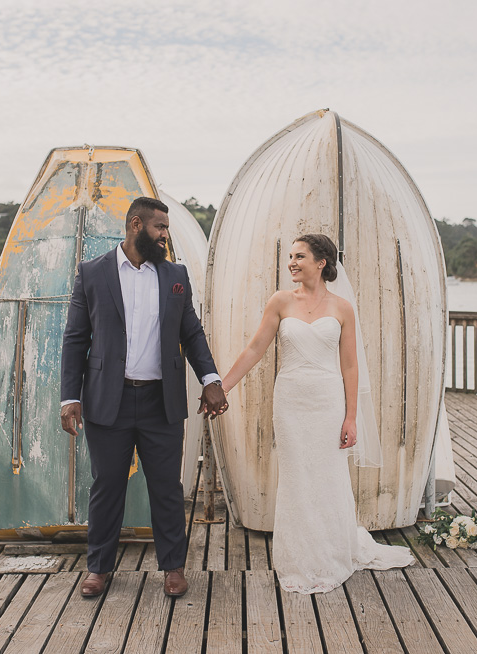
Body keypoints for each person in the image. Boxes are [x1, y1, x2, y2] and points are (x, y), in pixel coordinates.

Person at [220, 234, 415, 593]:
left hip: (328, 403)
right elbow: (254, 349)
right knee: (296, 478)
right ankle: (299, 558)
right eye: (291, 256)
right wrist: (224, 385)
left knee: (327, 477)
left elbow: (351, 367)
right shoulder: (280, 302)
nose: (292, 262)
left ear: (321, 262)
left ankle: (331, 554)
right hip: (291, 402)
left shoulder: (342, 308)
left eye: (299, 256)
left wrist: (351, 417)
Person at [60, 196, 227, 599]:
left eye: (166, 228)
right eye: (160, 228)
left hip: (160, 402)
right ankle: (98, 569)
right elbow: (76, 337)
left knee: (167, 488)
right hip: (107, 402)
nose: (165, 235)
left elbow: (192, 332)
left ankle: (173, 568)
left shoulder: (175, 275)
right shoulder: (93, 273)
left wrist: (210, 377)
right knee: (107, 487)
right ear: (136, 225)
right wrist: (69, 398)